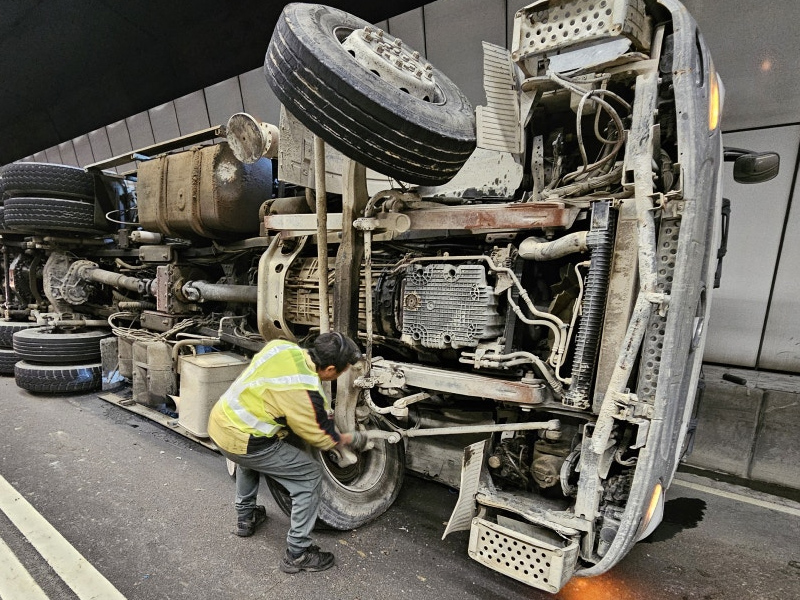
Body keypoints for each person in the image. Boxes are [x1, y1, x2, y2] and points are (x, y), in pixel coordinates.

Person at [207, 331, 367, 573]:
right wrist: (350, 438)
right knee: (309, 475)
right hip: (243, 441)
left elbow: (291, 394)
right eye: (342, 372)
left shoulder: (281, 347)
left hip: (221, 423)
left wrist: (320, 410)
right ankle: (298, 553)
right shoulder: (305, 392)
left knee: (248, 462)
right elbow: (322, 437)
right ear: (330, 369)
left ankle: (245, 518)